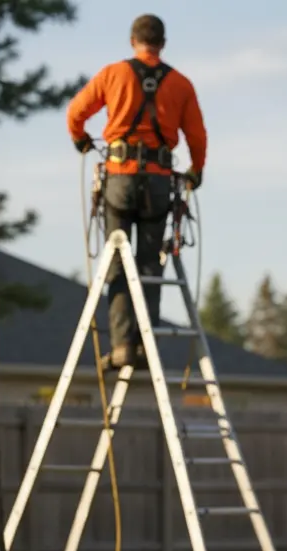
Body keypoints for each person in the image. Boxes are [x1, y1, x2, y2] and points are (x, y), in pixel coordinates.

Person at [67, 13, 207, 369]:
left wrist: (82, 140)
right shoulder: (181, 84)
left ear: (133, 41)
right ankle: (146, 345)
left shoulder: (113, 74)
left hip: (120, 178)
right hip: (160, 181)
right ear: (162, 44)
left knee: (117, 263)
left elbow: (76, 113)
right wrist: (195, 171)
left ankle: (121, 347)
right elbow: (197, 136)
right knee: (149, 264)